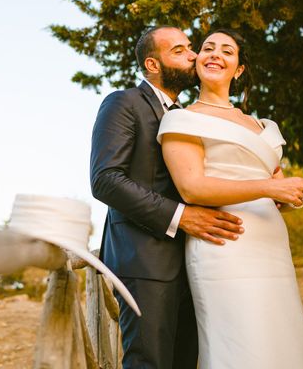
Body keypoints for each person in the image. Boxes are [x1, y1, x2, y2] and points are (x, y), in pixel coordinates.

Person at [157, 28, 303, 368]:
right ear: (198, 60)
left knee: (279, 336)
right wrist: (270, 187)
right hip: (224, 243)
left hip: (271, 244)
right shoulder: (183, 119)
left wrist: (295, 193)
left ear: (239, 69)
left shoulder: (262, 125)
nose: (215, 54)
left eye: (227, 51)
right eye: (207, 48)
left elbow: (277, 192)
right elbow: (192, 187)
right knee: (241, 340)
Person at [90, 26, 246, 369]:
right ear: (153, 64)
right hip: (144, 264)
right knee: (151, 363)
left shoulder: (190, 117)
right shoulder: (125, 103)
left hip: (196, 264)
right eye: (179, 51)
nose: (193, 55)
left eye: (190, 47)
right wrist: (181, 216)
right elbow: (105, 180)